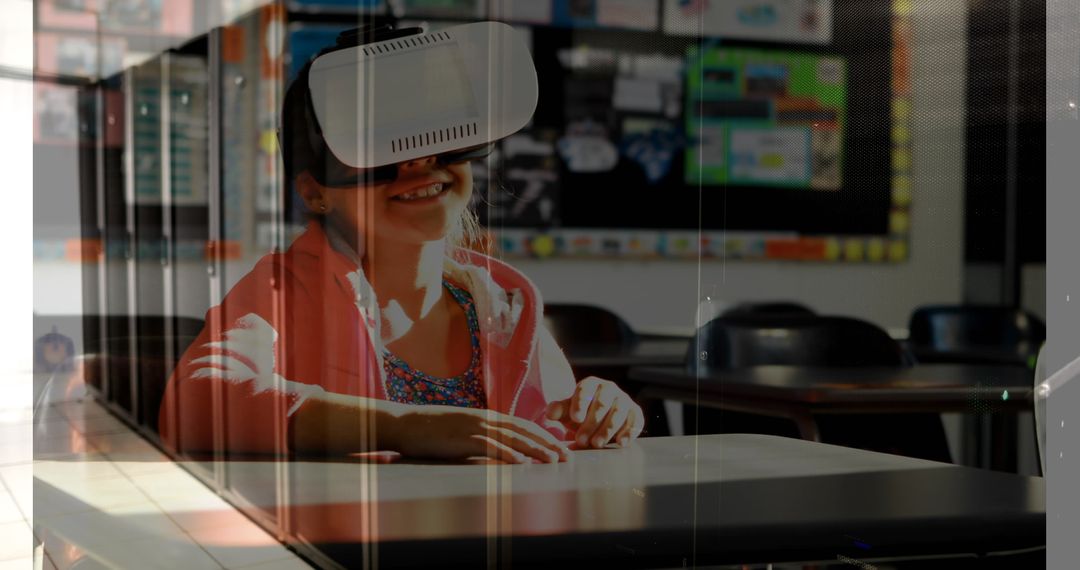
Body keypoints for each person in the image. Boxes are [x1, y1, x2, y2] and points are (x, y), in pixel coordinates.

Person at [158, 24, 644, 464]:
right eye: (376, 146)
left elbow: (550, 436)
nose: (420, 160)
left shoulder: (503, 308)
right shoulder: (282, 291)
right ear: (314, 191)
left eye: (440, 134)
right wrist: (405, 426)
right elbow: (197, 403)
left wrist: (603, 413)